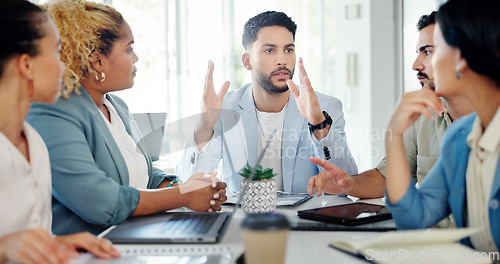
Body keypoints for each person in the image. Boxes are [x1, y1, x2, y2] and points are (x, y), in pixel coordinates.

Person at [27, 0, 227, 236]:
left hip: (133, 238)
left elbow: (147, 178)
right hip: (86, 252)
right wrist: (184, 194)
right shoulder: (53, 112)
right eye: (129, 49)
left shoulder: (116, 106)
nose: (136, 58)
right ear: (97, 60)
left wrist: (187, 186)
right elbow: (100, 202)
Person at [177, 11, 358, 193]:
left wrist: (319, 124)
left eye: (288, 50)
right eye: (269, 50)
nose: (282, 60)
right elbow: (188, 185)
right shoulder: (225, 109)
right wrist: (203, 129)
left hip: (305, 217)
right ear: (247, 61)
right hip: (244, 217)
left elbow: (346, 182)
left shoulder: (325, 109)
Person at [307, 11, 473, 202]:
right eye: (418, 53)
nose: (415, 65)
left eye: (427, 52)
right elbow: (386, 178)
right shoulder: (423, 116)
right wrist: (349, 183)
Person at [0, 0, 119, 263]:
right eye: (57, 52)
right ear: (27, 65)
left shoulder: (35, 143)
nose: (64, 66)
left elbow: (27, 239)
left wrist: (57, 242)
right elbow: (10, 244)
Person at [385, 0, 500, 253]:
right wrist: (393, 135)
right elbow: (413, 218)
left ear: (460, 57)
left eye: (433, 49)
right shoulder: (460, 139)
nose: (417, 65)